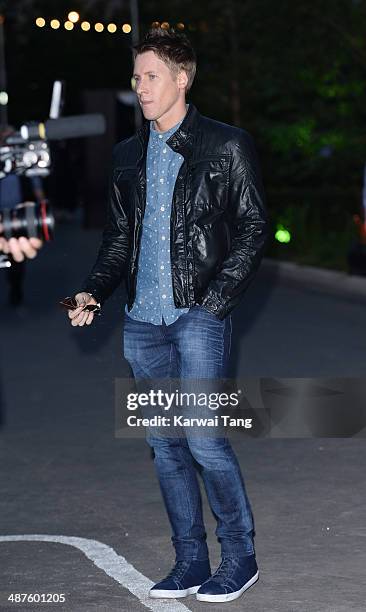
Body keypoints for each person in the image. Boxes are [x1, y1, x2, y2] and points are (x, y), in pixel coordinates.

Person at [67, 27, 270, 604]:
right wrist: (92, 294)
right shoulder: (127, 156)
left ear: (182, 78)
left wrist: (217, 300)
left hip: (200, 312)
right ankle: (189, 561)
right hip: (142, 321)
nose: (141, 86)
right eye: (136, 77)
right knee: (165, 443)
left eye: (150, 75)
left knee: (204, 439)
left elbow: (254, 227)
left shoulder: (225, 145)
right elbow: (117, 241)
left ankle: (240, 557)